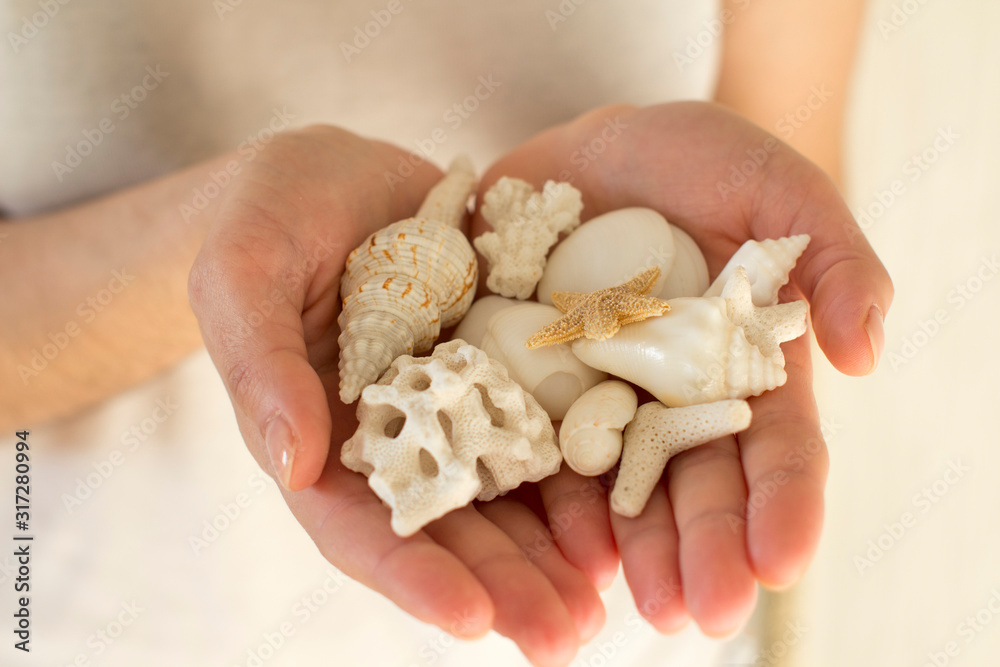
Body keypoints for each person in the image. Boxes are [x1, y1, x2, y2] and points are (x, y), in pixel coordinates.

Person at [0, 1, 889, 664]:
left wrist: (726, 234)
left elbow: (777, 137)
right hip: (140, 597)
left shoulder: (568, 331)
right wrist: (216, 248)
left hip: (625, 604)